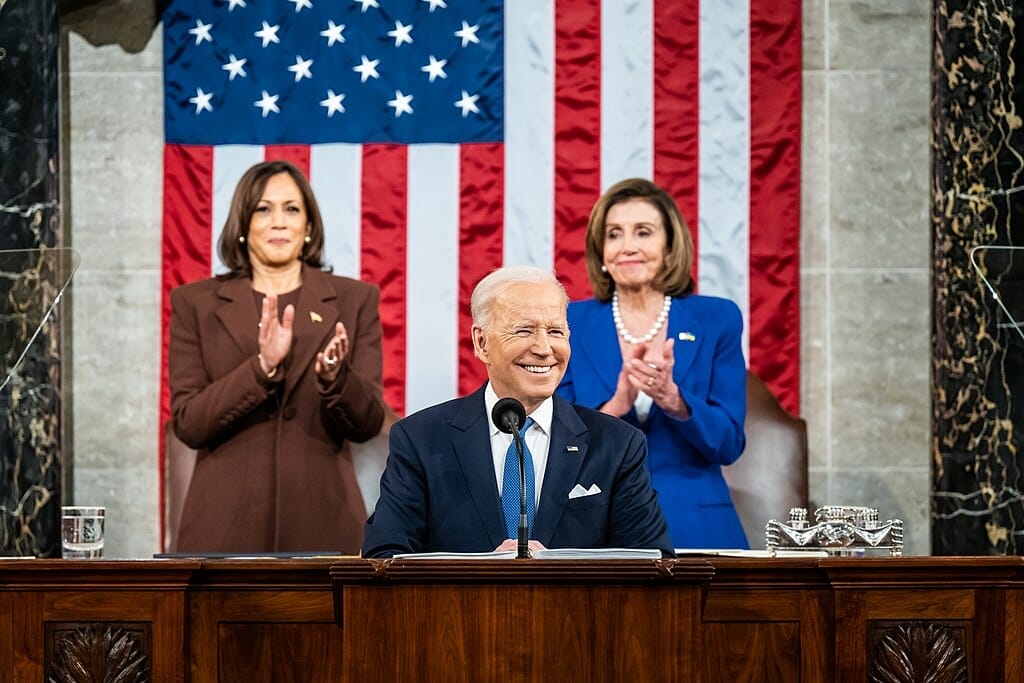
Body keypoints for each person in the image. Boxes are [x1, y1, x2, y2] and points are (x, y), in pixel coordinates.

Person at [361, 266, 673, 558]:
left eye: (555, 332)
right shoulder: (421, 439)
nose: (544, 348)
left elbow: (654, 564)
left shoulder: (618, 444)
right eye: (524, 331)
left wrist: (560, 570)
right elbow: (385, 556)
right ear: (482, 343)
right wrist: (480, 572)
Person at [168, 160, 385, 553]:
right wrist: (261, 368)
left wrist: (336, 379)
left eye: (292, 209)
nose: (279, 222)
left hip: (325, 527)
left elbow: (368, 423)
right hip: (223, 529)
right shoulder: (194, 303)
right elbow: (189, 424)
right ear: (242, 224)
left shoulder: (355, 300)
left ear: (309, 227)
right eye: (263, 209)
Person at [557, 178, 748, 550]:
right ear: (601, 252)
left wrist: (675, 400)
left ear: (670, 247)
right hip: (598, 523)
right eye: (614, 234)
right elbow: (558, 448)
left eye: (643, 232)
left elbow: (728, 444)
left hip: (697, 522)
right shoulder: (571, 323)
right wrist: (618, 405)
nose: (628, 246)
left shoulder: (716, 319)